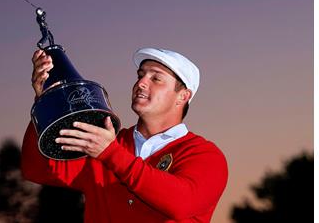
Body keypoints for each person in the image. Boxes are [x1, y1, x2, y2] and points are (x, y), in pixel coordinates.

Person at [21, 47, 228, 223]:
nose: (141, 83)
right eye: (140, 75)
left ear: (183, 96)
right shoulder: (102, 142)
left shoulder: (205, 155)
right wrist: (46, 103)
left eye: (156, 78)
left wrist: (110, 153)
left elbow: (182, 203)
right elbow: (35, 169)